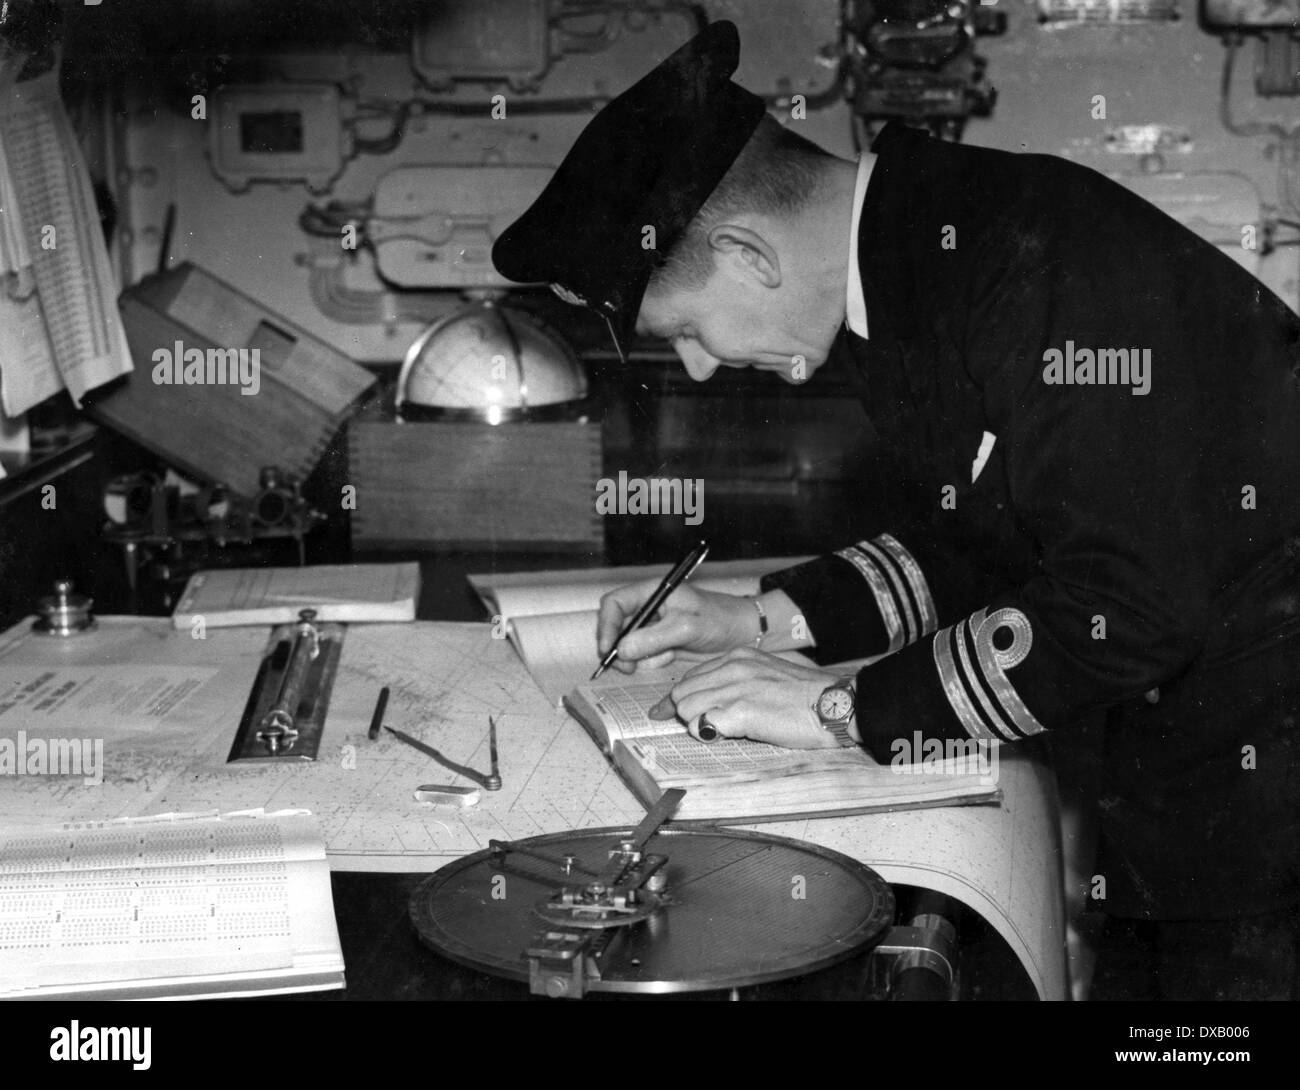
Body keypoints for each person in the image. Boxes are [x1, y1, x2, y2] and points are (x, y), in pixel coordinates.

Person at [492, 20, 1300, 999]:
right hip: (1193, 780)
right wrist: (757, 618)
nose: (701, 363)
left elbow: (1128, 601)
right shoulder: (910, 270)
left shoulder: (1034, 267)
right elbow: (985, 541)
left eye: (688, 328)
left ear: (749, 253)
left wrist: (847, 707)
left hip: (1266, 797)